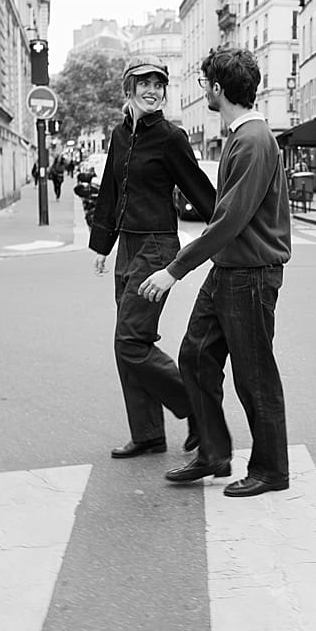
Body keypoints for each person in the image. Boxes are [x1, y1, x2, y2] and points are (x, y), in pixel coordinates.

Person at [138, 46, 293, 498]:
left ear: (219, 89)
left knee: (254, 375)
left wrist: (174, 270)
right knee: (195, 357)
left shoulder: (254, 140)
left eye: (206, 84)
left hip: (250, 274)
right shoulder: (240, 137)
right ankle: (213, 452)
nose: (204, 90)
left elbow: (229, 219)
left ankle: (271, 470)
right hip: (229, 271)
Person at [89, 61, 216, 460]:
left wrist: (227, 229)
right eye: (144, 83)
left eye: (159, 85)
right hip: (127, 244)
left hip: (157, 247)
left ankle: (198, 408)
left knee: (129, 341)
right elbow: (110, 189)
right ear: (130, 88)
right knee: (128, 342)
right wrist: (101, 244)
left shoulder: (170, 137)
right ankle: (147, 433)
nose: (153, 91)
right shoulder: (119, 135)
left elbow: (199, 189)